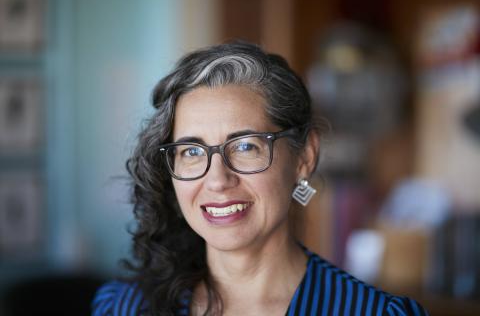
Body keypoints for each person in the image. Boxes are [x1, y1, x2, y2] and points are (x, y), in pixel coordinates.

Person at [91, 41, 428, 316]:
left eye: (245, 146)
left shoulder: (375, 313)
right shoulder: (125, 307)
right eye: (192, 152)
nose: (218, 180)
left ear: (304, 157)